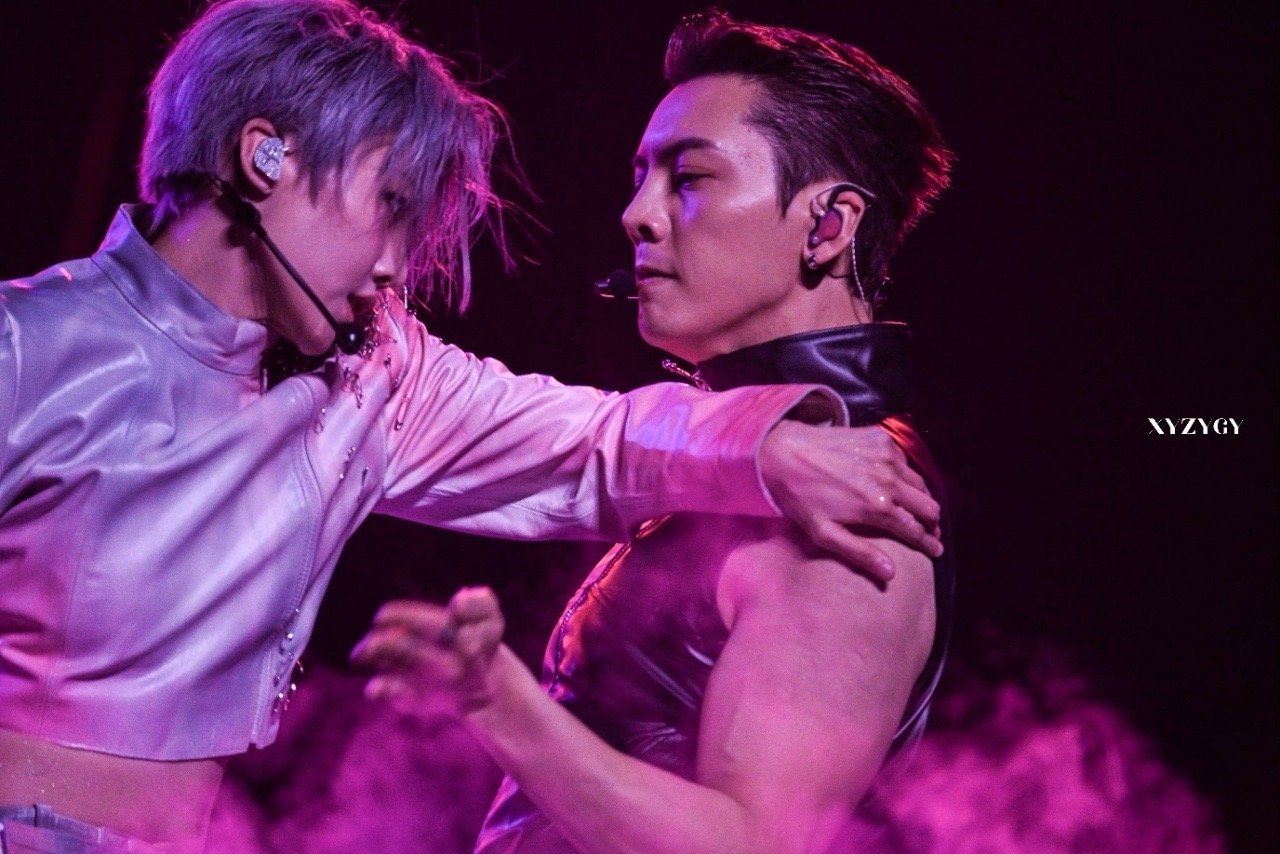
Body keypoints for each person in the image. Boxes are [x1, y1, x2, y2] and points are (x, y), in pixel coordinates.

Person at [0, 2, 943, 851]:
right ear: (265, 158)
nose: (395, 267)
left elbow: (592, 443)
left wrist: (768, 442)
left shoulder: (374, 373)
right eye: (390, 205)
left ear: (829, 226)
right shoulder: (23, 347)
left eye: (689, 177)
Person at [353, 10, 955, 853]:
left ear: (828, 226)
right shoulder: (763, 464)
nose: (637, 214)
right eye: (641, 178)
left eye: (690, 178)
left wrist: (498, 702)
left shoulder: (854, 505)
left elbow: (752, 847)